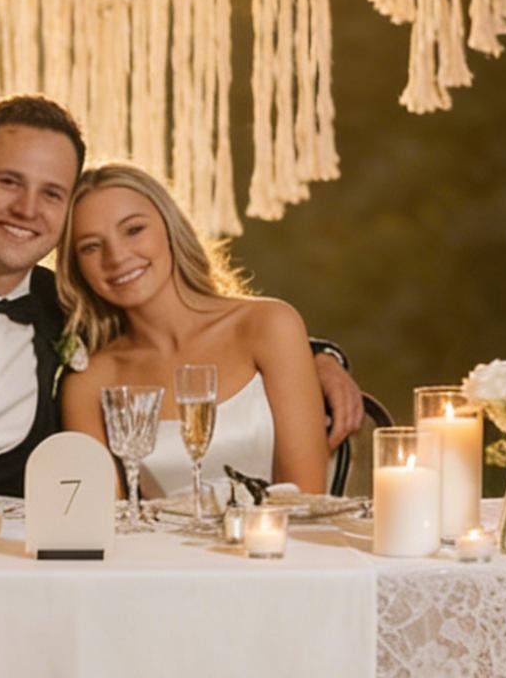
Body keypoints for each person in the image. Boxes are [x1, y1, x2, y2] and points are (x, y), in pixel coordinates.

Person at [0, 93, 366, 503]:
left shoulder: (68, 314)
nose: (29, 209)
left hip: (36, 569)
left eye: (52, 193)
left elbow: (200, 342)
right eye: (9, 182)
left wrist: (319, 358)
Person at [57, 165, 327, 501]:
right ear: (76, 267)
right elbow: (106, 523)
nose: (117, 256)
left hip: (278, 548)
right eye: (91, 247)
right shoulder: (90, 382)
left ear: (169, 228)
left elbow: (307, 498)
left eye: (134, 229)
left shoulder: (269, 326)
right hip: (158, 554)